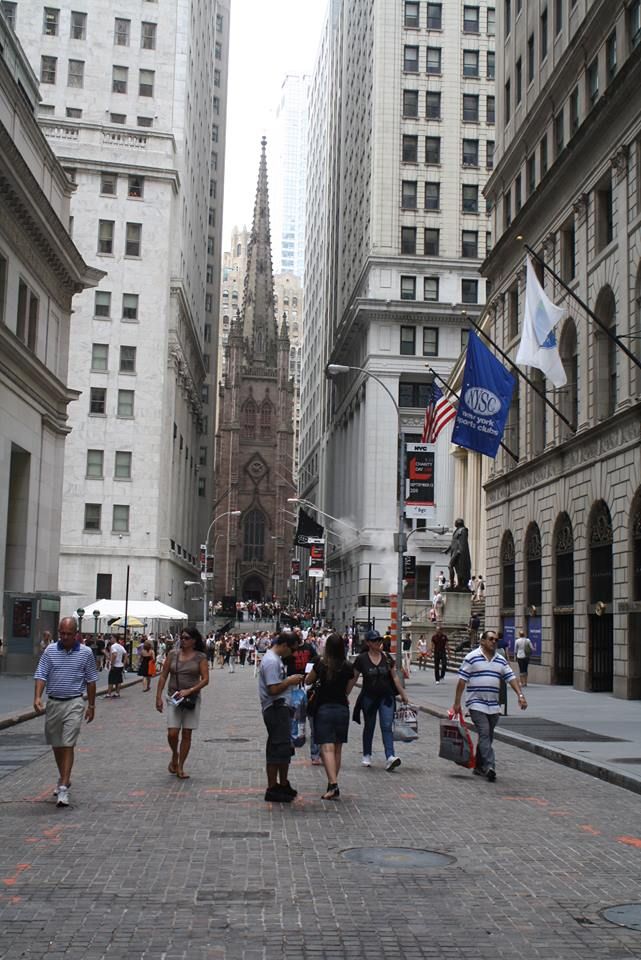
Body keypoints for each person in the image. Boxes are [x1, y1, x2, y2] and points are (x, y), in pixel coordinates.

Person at [33, 617, 98, 808]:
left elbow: (91, 680)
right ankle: (64, 776)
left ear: (76, 633)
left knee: (68, 742)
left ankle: (63, 787)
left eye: (69, 634)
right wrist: (38, 696)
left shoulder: (85, 653)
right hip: (53, 702)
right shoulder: (50, 650)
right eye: (62, 633)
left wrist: (92, 706)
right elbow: (41, 674)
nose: (65, 637)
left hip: (74, 702)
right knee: (57, 743)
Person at [452, 629, 528, 782]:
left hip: (493, 705)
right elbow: (462, 680)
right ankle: (489, 766)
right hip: (476, 703)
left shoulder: (500, 660)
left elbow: (511, 678)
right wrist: (457, 703)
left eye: (496, 640)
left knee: (487, 736)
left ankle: (479, 766)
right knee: (485, 731)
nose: (494, 642)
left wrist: (520, 696)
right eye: (491, 639)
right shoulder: (472, 657)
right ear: (482, 641)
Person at [348, 629, 408, 771]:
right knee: (369, 726)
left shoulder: (387, 657)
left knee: (387, 726)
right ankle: (367, 754)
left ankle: (390, 756)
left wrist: (403, 694)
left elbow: (394, 677)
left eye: (379, 640)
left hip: (386, 697)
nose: (378, 643)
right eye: (375, 640)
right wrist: (345, 695)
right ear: (368, 643)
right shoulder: (362, 659)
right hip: (369, 697)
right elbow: (354, 678)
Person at [305, 632, 355, 800]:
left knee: (326, 747)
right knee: (337, 748)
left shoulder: (321, 663)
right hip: (342, 708)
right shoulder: (348, 666)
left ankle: (333, 784)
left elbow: (308, 681)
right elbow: (347, 690)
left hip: (324, 708)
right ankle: (331, 782)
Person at [155, 627, 209, 779]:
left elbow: (205, 680)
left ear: (194, 640)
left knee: (186, 733)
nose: (183, 641)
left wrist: (190, 690)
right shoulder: (173, 654)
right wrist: (158, 696)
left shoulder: (200, 657)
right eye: (182, 637)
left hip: (191, 699)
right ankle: (174, 754)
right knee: (172, 733)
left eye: (186, 638)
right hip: (174, 697)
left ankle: (180, 766)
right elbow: (163, 676)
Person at [258, 632, 304, 803]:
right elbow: (273, 689)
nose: (292, 654)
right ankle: (272, 786)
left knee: (283, 747)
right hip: (275, 708)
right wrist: (290, 681)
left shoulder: (276, 660)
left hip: (281, 708)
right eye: (291, 649)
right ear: (284, 645)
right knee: (277, 747)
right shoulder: (271, 661)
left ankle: (282, 784)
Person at [287, 633, 321, 765]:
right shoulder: (290, 650)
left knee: (313, 719)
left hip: (308, 684)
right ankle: (297, 736)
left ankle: (316, 753)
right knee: (296, 715)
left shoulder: (309, 648)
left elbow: (315, 659)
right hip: (294, 685)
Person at [446, 518, 472, 591]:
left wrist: (459, 552)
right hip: (455, 552)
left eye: (456, 522)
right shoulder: (456, 531)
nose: (454, 523)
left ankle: (453, 585)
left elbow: (463, 543)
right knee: (457, 569)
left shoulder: (463, 530)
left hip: (458, 552)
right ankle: (457, 584)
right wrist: (447, 550)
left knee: (451, 566)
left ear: (458, 523)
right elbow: (453, 542)